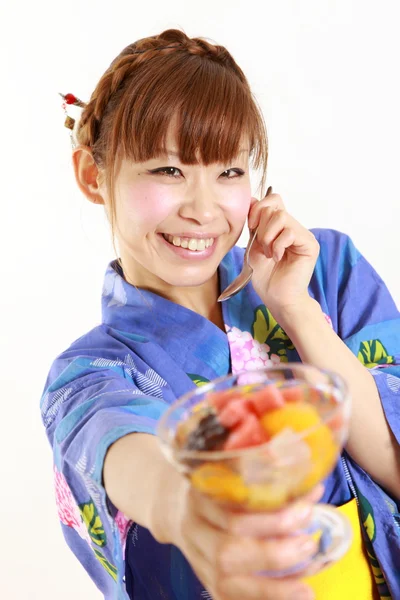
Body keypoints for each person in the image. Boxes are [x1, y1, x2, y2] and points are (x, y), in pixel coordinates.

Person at [41, 29, 400, 600]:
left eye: (229, 172)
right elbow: (123, 450)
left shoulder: (325, 271)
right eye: (168, 171)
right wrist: (185, 507)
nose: (204, 209)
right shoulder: (90, 374)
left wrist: (296, 308)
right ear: (93, 175)